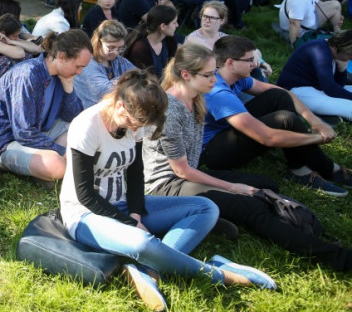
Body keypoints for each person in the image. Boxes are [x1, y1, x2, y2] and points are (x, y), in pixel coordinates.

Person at [62, 69, 276, 311]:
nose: (136, 129)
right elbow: (85, 195)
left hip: (123, 203)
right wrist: (131, 223)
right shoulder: (87, 125)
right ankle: (218, 273)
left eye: (141, 126)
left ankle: (147, 270)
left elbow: (135, 174)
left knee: (206, 208)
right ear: (120, 106)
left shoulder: (137, 122)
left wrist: (135, 214)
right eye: (134, 123)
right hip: (85, 214)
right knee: (142, 244)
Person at [144, 43, 352, 273]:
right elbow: (181, 171)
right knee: (251, 206)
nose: (215, 79)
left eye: (214, 72)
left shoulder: (197, 98)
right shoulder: (170, 111)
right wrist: (233, 187)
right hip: (166, 185)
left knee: (265, 184)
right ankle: (337, 257)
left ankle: (215, 217)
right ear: (186, 75)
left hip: (189, 174)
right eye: (208, 75)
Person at [202, 35, 352, 196]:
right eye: (249, 60)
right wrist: (317, 138)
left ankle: (298, 168)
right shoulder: (218, 93)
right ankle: (328, 169)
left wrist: (315, 121)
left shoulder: (236, 77)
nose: (255, 64)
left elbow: (285, 93)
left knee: (278, 96)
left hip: (225, 131)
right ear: (230, 63)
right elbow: (267, 138)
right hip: (211, 153)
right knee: (285, 120)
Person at [0, 30, 91, 183]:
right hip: (8, 141)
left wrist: (68, 87)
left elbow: (72, 116)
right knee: (56, 165)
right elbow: (24, 132)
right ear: (61, 57)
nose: (79, 72)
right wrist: (62, 151)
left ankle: (47, 168)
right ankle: (49, 166)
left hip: (39, 132)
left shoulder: (60, 75)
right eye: (78, 66)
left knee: (84, 127)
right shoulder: (28, 74)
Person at [276, 30, 352, 120]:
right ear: (337, 48)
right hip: (296, 91)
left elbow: (338, 85)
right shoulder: (320, 50)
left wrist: (342, 70)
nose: (350, 59)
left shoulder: (331, 51)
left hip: (317, 88)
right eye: (350, 56)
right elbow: (330, 88)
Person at [73, 20, 136, 108]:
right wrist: (128, 80)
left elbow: (140, 77)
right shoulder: (87, 64)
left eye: (120, 48)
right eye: (111, 47)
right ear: (98, 42)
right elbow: (107, 92)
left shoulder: (118, 60)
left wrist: (118, 82)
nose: (116, 52)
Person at [279, 0, 343, 46]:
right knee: (335, 5)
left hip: (308, 20)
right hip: (302, 30)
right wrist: (295, 45)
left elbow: (320, 4)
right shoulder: (299, 0)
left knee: (335, 5)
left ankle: (336, 31)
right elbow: (294, 24)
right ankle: (335, 33)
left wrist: (337, 15)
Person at [124, 4, 179, 78]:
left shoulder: (170, 40)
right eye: (174, 23)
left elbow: (172, 66)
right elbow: (145, 78)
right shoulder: (140, 48)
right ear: (163, 26)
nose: (177, 25)